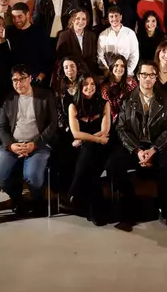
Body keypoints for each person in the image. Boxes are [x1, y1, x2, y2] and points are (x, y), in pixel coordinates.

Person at [109, 62, 167, 224]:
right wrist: (137, 151)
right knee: (113, 163)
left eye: (151, 75)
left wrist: (153, 150)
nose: (148, 78)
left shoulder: (165, 98)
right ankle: (129, 200)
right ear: (138, 77)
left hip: (157, 145)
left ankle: (165, 205)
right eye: (144, 75)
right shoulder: (127, 99)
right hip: (135, 145)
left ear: (156, 77)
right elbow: (121, 128)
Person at [0, 65, 58, 215]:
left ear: (30, 78)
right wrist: (11, 145)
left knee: (33, 177)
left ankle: (37, 200)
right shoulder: (9, 99)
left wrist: (35, 144)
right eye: (15, 80)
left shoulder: (45, 95)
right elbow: (2, 128)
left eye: (22, 79)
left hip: (38, 145)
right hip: (13, 145)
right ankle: (17, 198)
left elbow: (53, 124)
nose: (19, 83)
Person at [68, 72, 112, 224]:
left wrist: (84, 140)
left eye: (92, 84)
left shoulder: (104, 103)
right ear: (80, 86)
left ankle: (74, 192)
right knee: (91, 167)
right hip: (86, 148)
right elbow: (75, 133)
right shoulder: (73, 106)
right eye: (86, 84)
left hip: (102, 147)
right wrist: (94, 139)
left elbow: (105, 131)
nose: (89, 87)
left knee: (88, 152)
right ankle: (96, 213)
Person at [7, 2, 52, 84]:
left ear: (27, 15)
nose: (16, 20)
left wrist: (41, 75)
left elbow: (48, 56)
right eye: (13, 17)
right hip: (15, 79)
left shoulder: (40, 32)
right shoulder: (9, 31)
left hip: (35, 78)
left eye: (19, 16)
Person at [98, 6, 139, 75]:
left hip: (127, 73)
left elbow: (134, 55)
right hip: (109, 73)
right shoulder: (103, 35)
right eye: (111, 16)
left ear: (121, 17)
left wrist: (126, 72)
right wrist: (109, 72)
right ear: (108, 19)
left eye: (116, 16)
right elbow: (100, 56)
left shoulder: (130, 33)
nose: (114, 19)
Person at [101, 54, 136, 123]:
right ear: (111, 67)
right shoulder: (105, 86)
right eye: (116, 65)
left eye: (122, 66)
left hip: (130, 117)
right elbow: (108, 109)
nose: (119, 68)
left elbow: (135, 101)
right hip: (112, 119)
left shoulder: (131, 83)